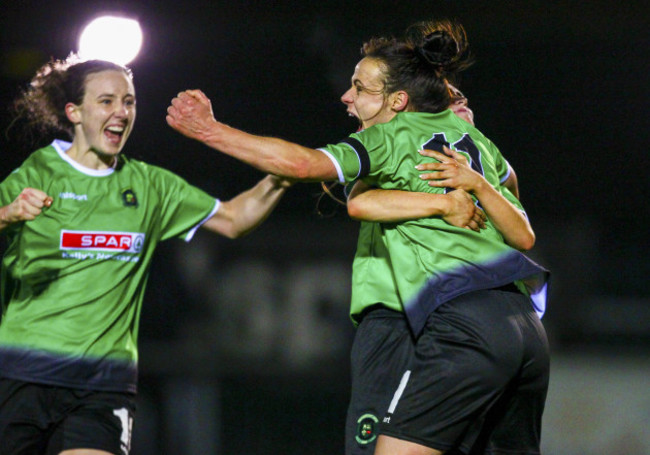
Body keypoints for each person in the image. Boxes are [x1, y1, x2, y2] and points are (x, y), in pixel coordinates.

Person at [166, 19, 549, 455]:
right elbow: (513, 205)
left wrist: (209, 130)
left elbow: (305, 165)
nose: (347, 97)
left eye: (361, 88)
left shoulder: (391, 137)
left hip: (443, 322)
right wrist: (458, 183)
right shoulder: (473, 140)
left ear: (398, 100)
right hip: (525, 327)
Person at [0, 56, 290, 455]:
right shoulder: (37, 172)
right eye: (106, 101)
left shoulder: (150, 186)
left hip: (103, 384)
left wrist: (283, 176)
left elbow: (234, 219)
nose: (121, 112)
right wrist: (8, 214)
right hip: (21, 375)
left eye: (129, 102)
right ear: (75, 112)